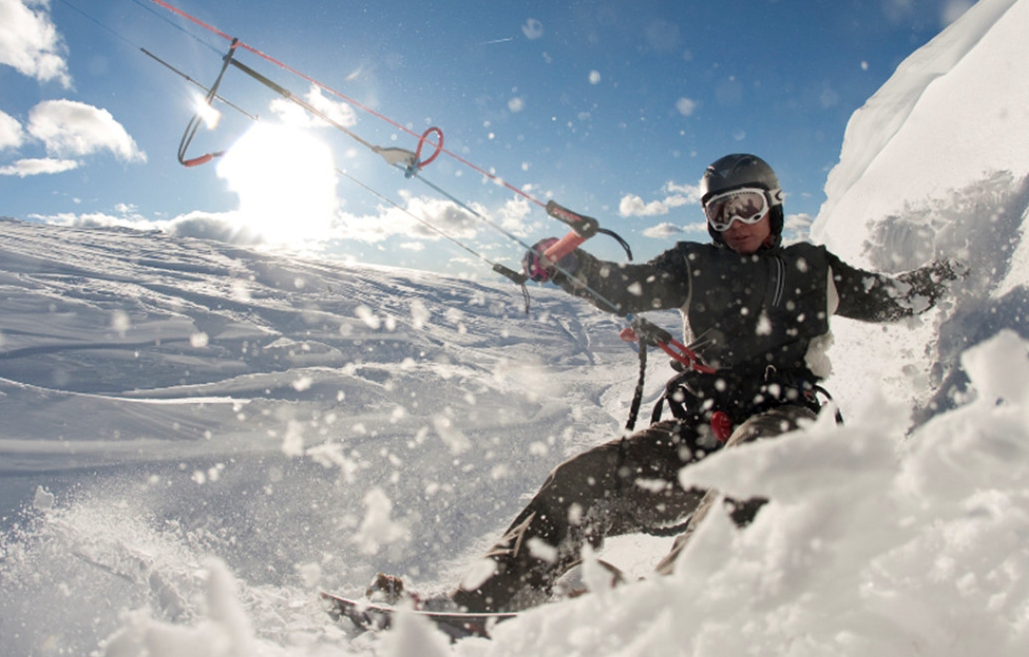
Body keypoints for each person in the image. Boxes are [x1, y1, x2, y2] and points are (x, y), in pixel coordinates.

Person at [371, 153, 961, 614]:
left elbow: (895, 300)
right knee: (582, 477)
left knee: (748, 463)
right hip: (703, 434)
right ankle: (489, 600)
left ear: (774, 208)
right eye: (721, 212)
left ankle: (671, 611)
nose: (736, 224)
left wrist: (958, 269)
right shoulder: (694, 267)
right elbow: (624, 285)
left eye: (749, 206)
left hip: (787, 428)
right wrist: (569, 265)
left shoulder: (813, 269)